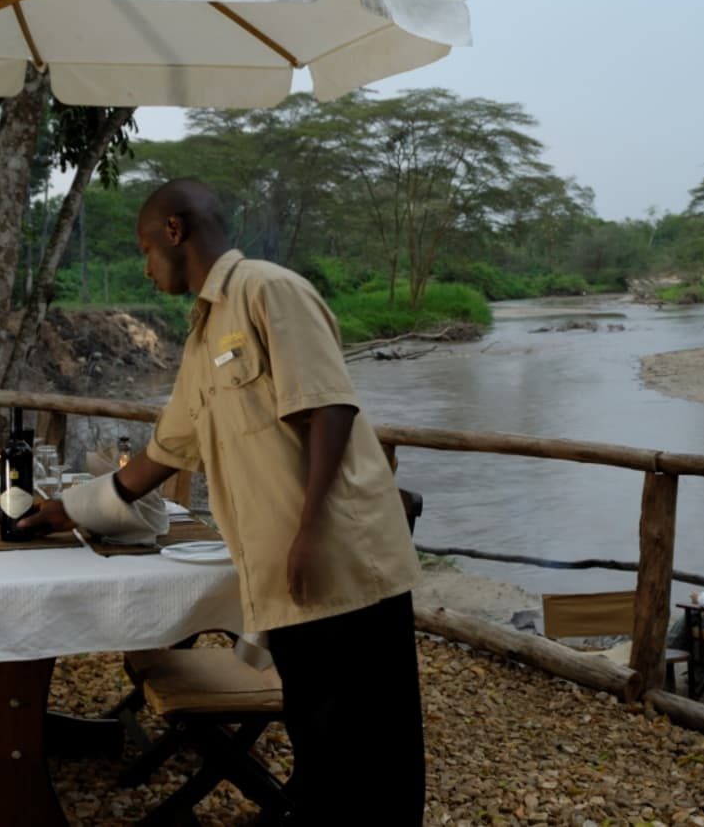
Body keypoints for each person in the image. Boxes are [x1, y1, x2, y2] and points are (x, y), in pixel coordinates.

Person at [21, 178, 425, 826]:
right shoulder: (203, 337)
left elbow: (330, 406)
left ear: (175, 232)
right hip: (286, 578)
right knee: (321, 746)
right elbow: (161, 456)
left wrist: (311, 530)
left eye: (146, 250)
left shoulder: (269, 290)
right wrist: (65, 510)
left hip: (342, 564)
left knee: (373, 754)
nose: (146, 266)